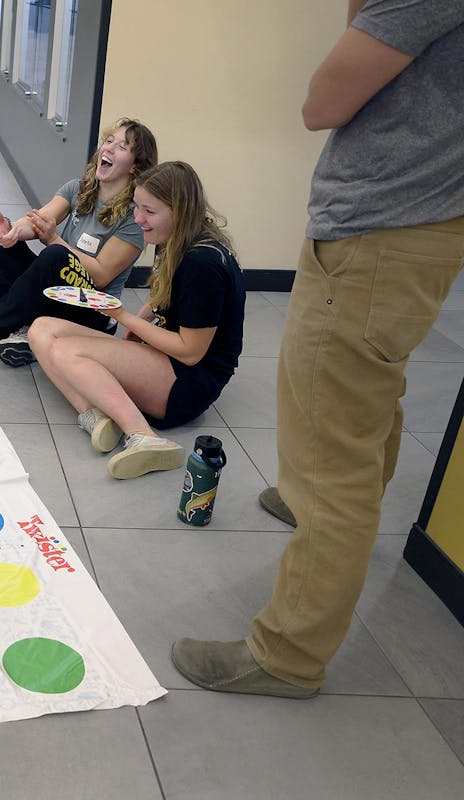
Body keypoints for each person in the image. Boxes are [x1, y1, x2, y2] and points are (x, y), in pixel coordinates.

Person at [172, 0, 464, 699]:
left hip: (378, 234)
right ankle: (321, 513)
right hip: (416, 227)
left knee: (332, 453)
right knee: (366, 401)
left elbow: (322, 103)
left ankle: (287, 655)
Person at [29, 161, 245, 480]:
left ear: (179, 211)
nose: (138, 218)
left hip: (189, 382)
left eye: (149, 211)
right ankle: (96, 416)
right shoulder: (176, 239)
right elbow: (164, 295)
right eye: (137, 207)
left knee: (66, 350)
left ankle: (144, 437)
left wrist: (124, 317)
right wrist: (138, 322)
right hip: (168, 360)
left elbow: (190, 352)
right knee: (40, 329)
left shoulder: (203, 265)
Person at [0, 118, 157, 367]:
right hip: (61, 293)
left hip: (93, 311)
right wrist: (14, 231)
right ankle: (20, 326)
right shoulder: (77, 189)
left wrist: (54, 239)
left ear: (135, 167)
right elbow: (39, 220)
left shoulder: (133, 218)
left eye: (121, 147)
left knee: (56, 256)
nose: (108, 148)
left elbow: (100, 276)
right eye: (108, 141)